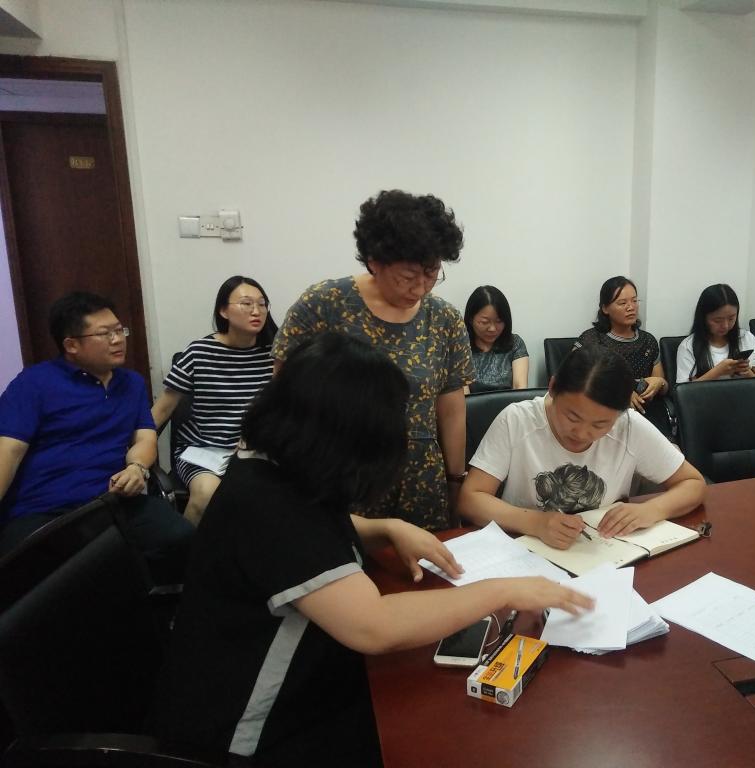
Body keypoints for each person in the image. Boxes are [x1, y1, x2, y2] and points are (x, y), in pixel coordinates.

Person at [150, 333, 592, 768]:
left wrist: (384, 528)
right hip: (252, 731)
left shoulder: (270, 466)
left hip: (305, 681)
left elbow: (318, 531)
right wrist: (504, 590)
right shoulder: (272, 508)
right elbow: (374, 626)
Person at [273, 190, 474, 531]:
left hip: (420, 479)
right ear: (374, 261)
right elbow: (285, 395)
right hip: (341, 473)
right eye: (408, 277)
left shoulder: (444, 318)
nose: (421, 288)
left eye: (431, 274)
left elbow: (451, 408)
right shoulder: (325, 305)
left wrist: (455, 480)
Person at [0, 292, 193, 583]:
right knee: (35, 580)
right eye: (105, 334)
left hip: (111, 501)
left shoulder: (131, 383)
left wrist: (136, 468)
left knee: (180, 538)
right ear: (71, 345)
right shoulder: (34, 383)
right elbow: (8, 452)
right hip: (43, 509)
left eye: (119, 330)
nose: (118, 340)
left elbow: (144, 438)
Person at [458, 345, 705, 550]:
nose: (582, 433)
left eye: (600, 424)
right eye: (572, 417)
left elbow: (693, 483)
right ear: (553, 387)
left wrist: (651, 510)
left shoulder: (629, 426)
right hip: (525, 550)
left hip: (602, 553)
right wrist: (536, 523)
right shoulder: (517, 420)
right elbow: (471, 499)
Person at [151, 276, 277, 525]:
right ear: (223, 311)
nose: (256, 311)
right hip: (204, 451)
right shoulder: (199, 352)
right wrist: (135, 453)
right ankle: (188, 549)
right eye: (246, 303)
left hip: (255, 450)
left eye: (262, 304)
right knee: (206, 495)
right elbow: (163, 408)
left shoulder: (274, 355)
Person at [573, 276, 672, 439]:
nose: (631, 307)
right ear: (605, 308)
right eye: (622, 303)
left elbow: (663, 388)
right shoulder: (591, 340)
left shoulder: (648, 341)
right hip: (606, 415)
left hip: (648, 415)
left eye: (634, 301)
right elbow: (574, 381)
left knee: (671, 450)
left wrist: (659, 382)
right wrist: (621, 394)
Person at [676, 283, 755, 382]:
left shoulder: (746, 338)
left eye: (731, 318)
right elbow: (683, 390)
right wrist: (718, 372)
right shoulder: (688, 346)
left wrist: (747, 372)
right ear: (703, 318)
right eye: (718, 320)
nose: (725, 325)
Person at [463, 285, 528, 393]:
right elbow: (463, 396)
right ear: (471, 319)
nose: (492, 329)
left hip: (511, 403)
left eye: (499, 321)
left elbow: (520, 388)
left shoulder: (515, 343)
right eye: (484, 322)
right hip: (471, 404)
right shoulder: (461, 347)